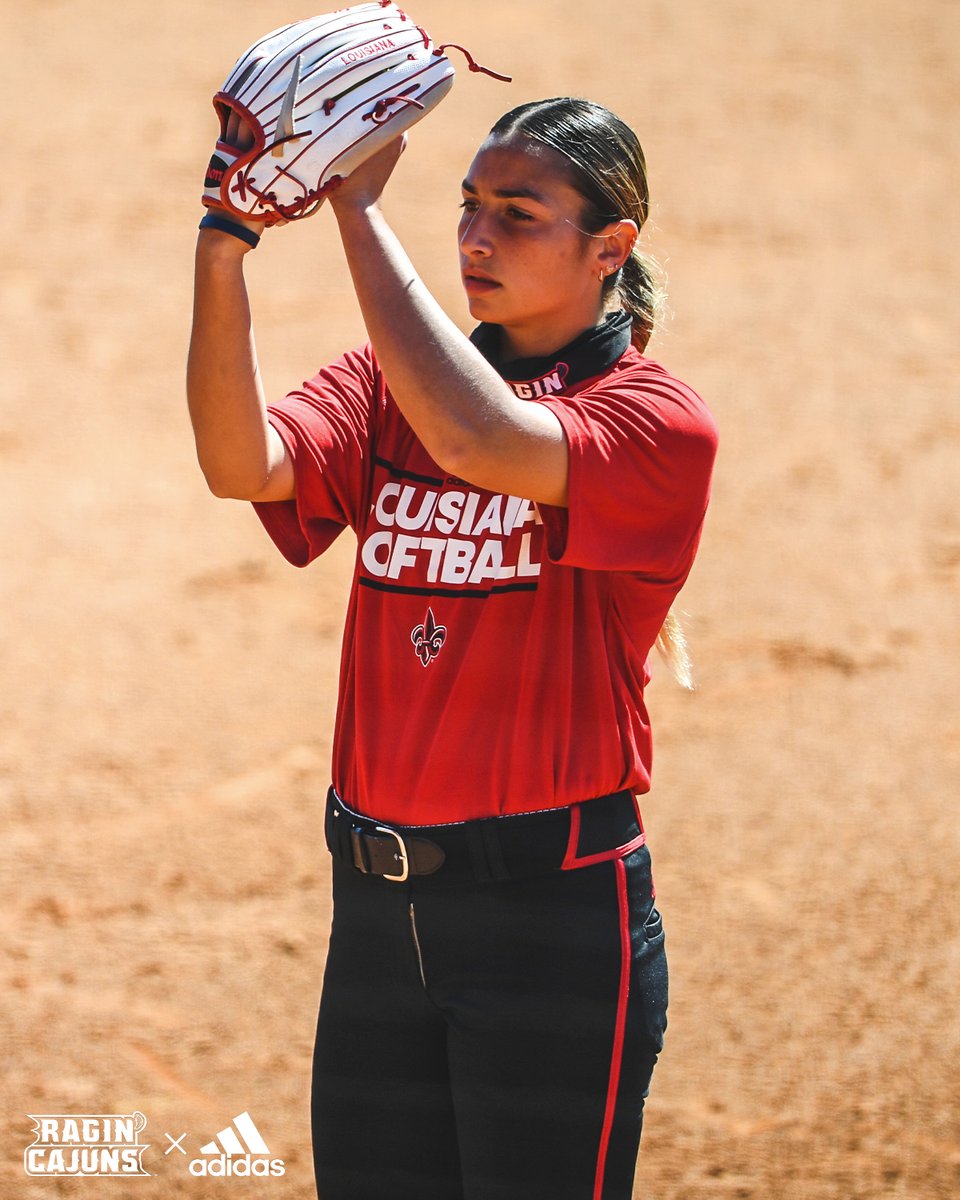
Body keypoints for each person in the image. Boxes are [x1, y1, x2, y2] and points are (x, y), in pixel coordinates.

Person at [187, 95, 718, 1200]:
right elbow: (241, 462)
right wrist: (225, 249)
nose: (476, 236)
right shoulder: (383, 386)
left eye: (518, 214)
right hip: (376, 919)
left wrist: (355, 210)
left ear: (609, 248)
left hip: (553, 927)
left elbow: (479, 435)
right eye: (469, 205)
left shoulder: (652, 422)